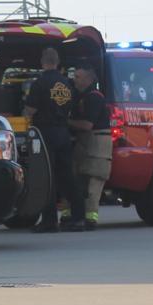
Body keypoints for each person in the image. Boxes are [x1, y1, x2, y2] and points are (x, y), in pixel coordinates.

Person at [24, 47, 82, 232]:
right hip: (63, 133)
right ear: (57, 62)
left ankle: (49, 221)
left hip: (44, 133)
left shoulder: (39, 83)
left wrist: (24, 111)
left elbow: (30, 110)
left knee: (46, 177)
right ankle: (79, 217)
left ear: (42, 62)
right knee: (67, 176)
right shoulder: (67, 84)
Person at [68, 65, 112, 231]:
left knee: (94, 181)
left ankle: (90, 219)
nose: (74, 79)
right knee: (79, 179)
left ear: (88, 79)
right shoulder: (83, 97)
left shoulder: (94, 98)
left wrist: (65, 122)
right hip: (86, 144)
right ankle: (79, 217)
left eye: (78, 76)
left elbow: (87, 125)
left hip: (97, 145)